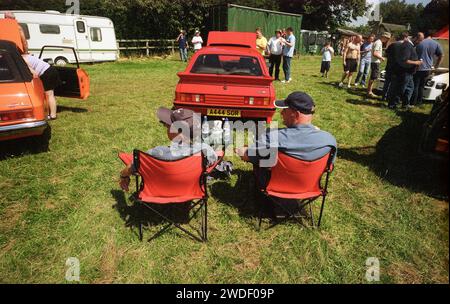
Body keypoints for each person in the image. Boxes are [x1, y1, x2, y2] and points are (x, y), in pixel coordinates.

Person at [235, 91, 337, 188]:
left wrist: (240, 150)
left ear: (296, 114)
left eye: (284, 110)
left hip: (274, 186)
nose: (281, 113)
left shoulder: (272, 137)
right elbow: (329, 167)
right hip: (309, 187)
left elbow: (248, 156)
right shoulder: (329, 141)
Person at [119, 107, 218, 192]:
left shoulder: (155, 153)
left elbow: (131, 168)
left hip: (159, 191)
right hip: (190, 190)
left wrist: (123, 176)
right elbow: (213, 160)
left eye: (168, 126)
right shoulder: (205, 151)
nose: (166, 128)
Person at [388, 32, 422, 109]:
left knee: (410, 88)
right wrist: (417, 62)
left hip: (408, 72)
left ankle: (405, 104)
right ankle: (393, 104)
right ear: (415, 38)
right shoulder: (407, 45)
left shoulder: (409, 45)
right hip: (404, 72)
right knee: (400, 89)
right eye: (420, 40)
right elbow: (404, 60)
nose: (420, 42)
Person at [22, 54, 61, 119]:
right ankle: (48, 113)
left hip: (47, 72)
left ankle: (53, 115)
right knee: (48, 95)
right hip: (48, 70)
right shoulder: (24, 55)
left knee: (49, 94)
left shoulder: (22, 60)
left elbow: (35, 73)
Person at [411, 30, 444, 106]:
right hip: (428, 68)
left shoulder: (420, 42)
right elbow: (441, 55)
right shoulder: (436, 44)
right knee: (422, 85)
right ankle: (419, 102)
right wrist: (436, 66)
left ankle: (412, 102)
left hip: (418, 66)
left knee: (415, 85)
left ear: (425, 35)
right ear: (433, 35)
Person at [367, 32, 391, 98]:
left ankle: (369, 91)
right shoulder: (378, 42)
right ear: (384, 37)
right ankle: (369, 91)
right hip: (375, 62)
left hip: (375, 62)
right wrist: (381, 57)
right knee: (373, 77)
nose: (387, 40)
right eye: (387, 38)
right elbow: (374, 53)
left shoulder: (378, 42)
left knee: (373, 77)